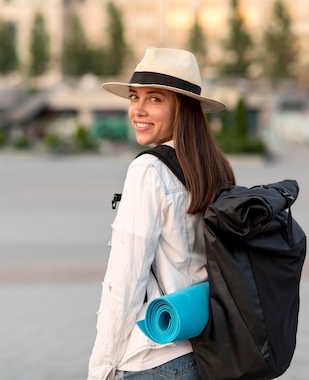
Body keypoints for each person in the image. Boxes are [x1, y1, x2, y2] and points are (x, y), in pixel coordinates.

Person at [88, 47, 235, 380]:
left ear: (180, 108)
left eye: (155, 99)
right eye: (134, 97)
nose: (138, 109)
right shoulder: (214, 168)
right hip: (201, 354)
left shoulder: (148, 171)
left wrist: (101, 367)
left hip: (153, 358)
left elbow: (124, 280)